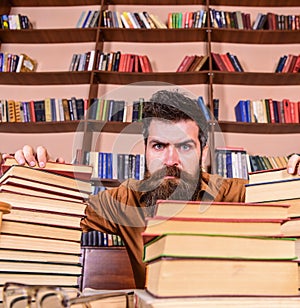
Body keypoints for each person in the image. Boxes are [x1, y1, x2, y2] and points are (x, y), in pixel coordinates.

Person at [4, 90, 300, 289]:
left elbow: (289, 211)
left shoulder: (234, 194)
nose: (170, 161)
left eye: (185, 146)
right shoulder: (123, 199)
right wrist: (35, 179)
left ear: (204, 152)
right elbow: (50, 218)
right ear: (144, 150)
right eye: (159, 146)